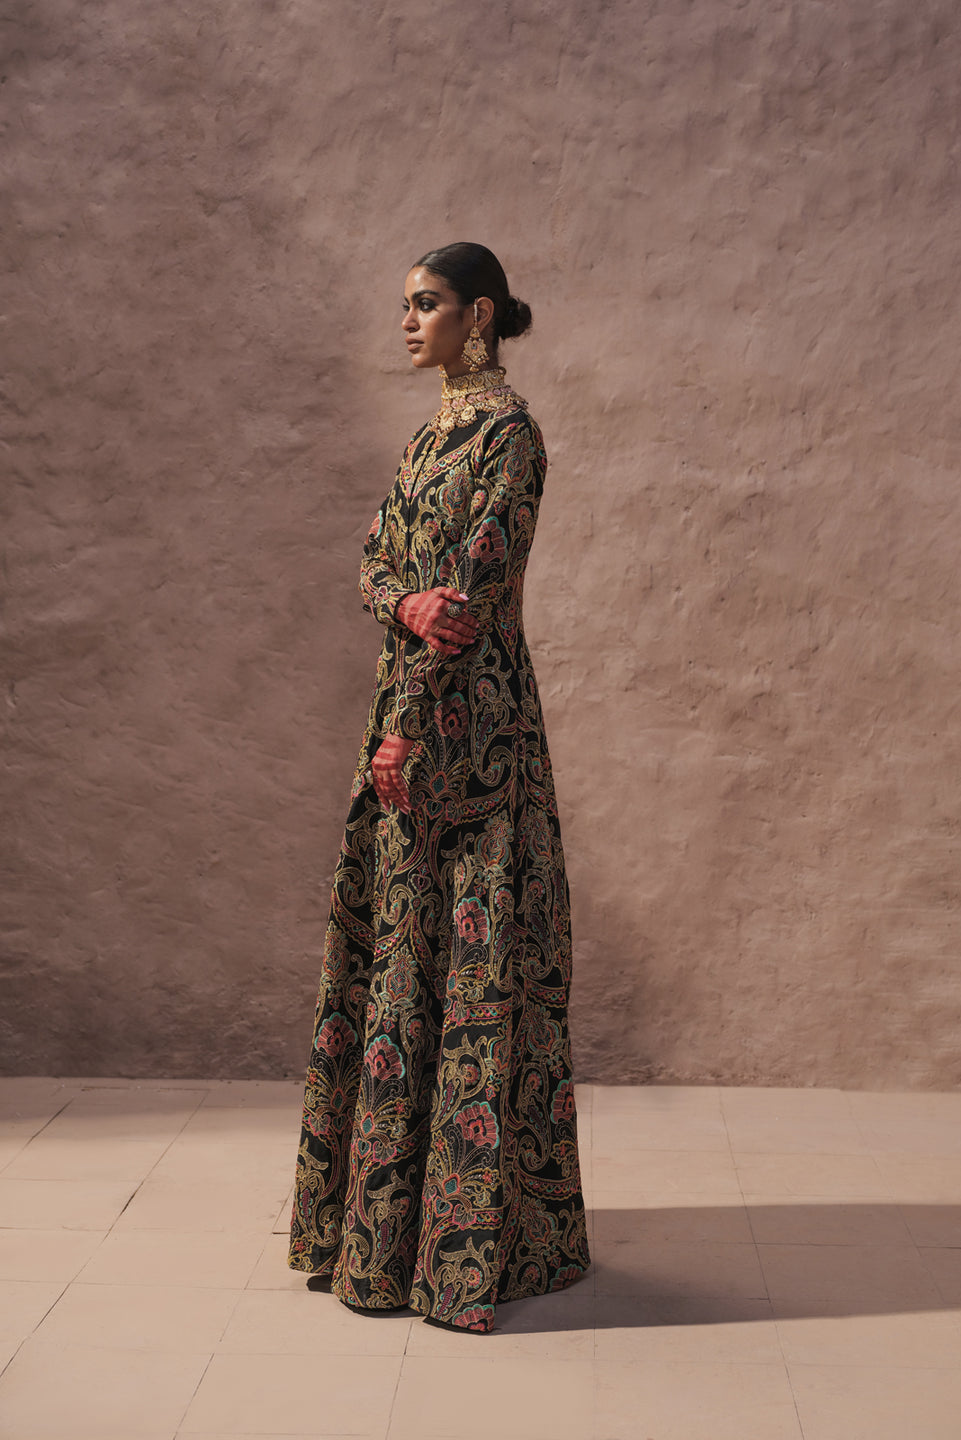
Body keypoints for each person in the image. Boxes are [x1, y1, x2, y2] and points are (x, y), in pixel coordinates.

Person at [287, 243, 590, 1333]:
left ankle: (470, 1251)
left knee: (470, 964)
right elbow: (374, 558)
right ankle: (381, 1234)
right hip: (408, 712)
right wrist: (400, 605)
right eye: (407, 306)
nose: (409, 322)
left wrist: (406, 725)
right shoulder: (429, 436)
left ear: (481, 315)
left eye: (427, 305)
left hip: (472, 732)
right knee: (400, 958)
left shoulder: (511, 437)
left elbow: (468, 599)